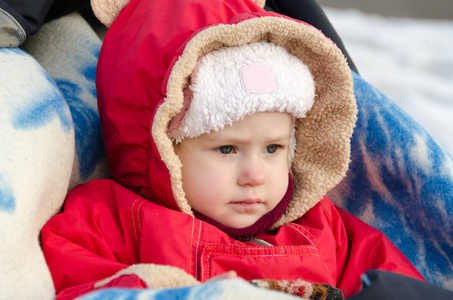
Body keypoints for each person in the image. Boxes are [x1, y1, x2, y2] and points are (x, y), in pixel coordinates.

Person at [41, 0, 425, 299]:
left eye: (273, 148)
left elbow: (395, 282)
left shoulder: (322, 227)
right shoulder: (112, 220)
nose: (255, 175)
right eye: (227, 149)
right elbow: (76, 279)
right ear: (163, 149)